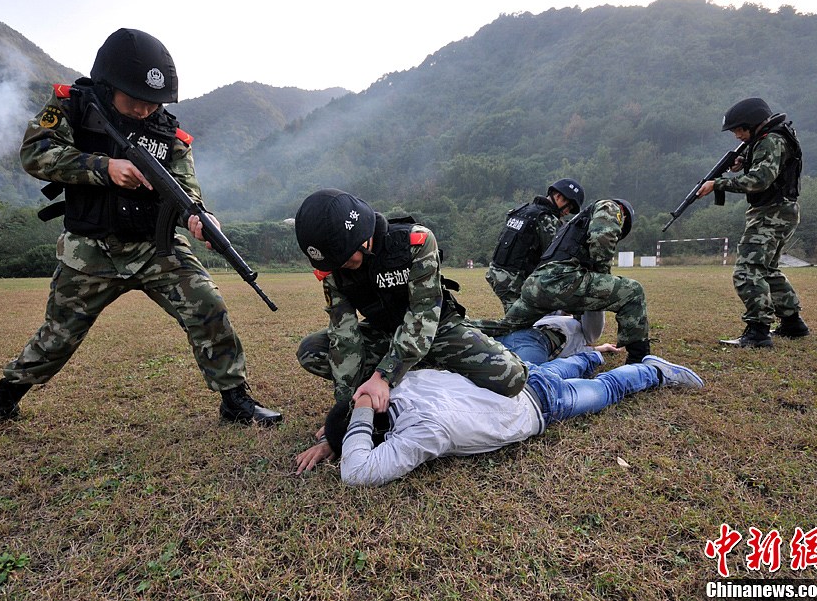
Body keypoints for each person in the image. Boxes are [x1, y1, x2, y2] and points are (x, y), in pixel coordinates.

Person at [0, 29, 281, 440]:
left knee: (207, 305)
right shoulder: (73, 105)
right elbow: (35, 153)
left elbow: (187, 190)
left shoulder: (171, 136)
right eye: (134, 99)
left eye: (151, 102)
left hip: (155, 247)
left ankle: (235, 400)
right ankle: (1, 405)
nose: (142, 109)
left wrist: (198, 216)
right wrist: (103, 168)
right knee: (56, 336)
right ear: (109, 85)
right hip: (91, 249)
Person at [293, 188, 529, 470]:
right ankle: (408, 376)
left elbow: (422, 315)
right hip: (385, 333)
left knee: (511, 377)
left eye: (343, 259)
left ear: (361, 236)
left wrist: (384, 375)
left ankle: (431, 365)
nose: (340, 267)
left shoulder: (414, 242)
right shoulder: (334, 270)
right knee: (313, 351)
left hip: (438, 328)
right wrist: (345, 418)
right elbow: (345, 338)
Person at [317, 353, 703, 487]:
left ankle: (653, 371)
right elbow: (360, 410)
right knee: (565, 366)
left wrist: (350, 431)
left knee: (608, 391)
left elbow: (356, 473)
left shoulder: (423, 433)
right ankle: (595, 352)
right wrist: (344, 424)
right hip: (518, 373)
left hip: (540, 404)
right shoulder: (399, 382)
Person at [476, 198, 651, 364]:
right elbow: (603, 238)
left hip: (536, 285)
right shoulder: (611, 207)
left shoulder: (574, 225)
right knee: (633, 291)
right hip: (562, 280)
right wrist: (603, 276)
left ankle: (456, 327)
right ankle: (639, 358)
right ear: (624, 217)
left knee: (507, 326)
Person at [697, 97, 808, 348]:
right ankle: (793, 323)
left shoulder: (770, 141)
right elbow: (765, 170)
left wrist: (719, 183)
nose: (736, 135)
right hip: (781, 210)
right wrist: (743, 163)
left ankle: (758, 330)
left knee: (747, 271)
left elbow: (760, 180)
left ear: (753, 123)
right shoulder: (770, 139)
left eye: (739, 129)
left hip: (772, 212)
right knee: (767, 270)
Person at [486, 178, 585, 312]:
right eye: (568, 206)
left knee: (520, 318)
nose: (567, 212)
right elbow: (556, 259)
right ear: (558, 196)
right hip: (513, 281)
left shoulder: (521, 210)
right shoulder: (547, 220)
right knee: (522, 323)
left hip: (497, 273)